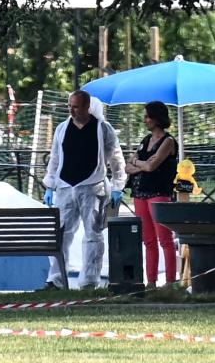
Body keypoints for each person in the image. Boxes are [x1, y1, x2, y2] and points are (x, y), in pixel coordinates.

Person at [42, 90, 126, 290]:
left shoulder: (103, 129)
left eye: (76, 106)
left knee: (92, 236)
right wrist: (50, 185)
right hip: (65, 187)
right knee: (61, 235)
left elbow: (116, 158)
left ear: (87, 107)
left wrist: (117, 186)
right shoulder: (62, 128)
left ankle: (89, 281)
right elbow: (55, 158)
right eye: (69, 106)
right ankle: (56, 279)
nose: (72, 110)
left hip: (92, 187)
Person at [124, 101, 179, 288]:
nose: (145, 120)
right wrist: (141, 164)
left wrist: (139, 163)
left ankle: (171, 281)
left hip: (159, 192)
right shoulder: (146, 141)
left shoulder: (168, 141)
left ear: (157, 118)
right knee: (148, 240)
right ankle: (151, 281)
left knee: (165, 238)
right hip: (140, 193)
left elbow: (150, 166)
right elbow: (127, 165)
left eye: (148, 116)